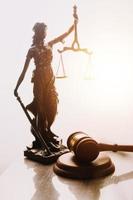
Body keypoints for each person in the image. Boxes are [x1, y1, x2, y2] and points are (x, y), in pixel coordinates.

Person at [14, 22, 74, 148]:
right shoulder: (32, 50)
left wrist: (75, 22)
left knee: (52, 105)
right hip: (39, 80)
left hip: (50, 79)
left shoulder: (50, 44)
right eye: (44, 31)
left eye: (46, 31)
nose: (45, 33)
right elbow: (24, 71)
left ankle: (48, 131)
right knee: (40, 108)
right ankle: (43, 137)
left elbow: (67, 33)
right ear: (38, 32)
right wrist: (16, 87)